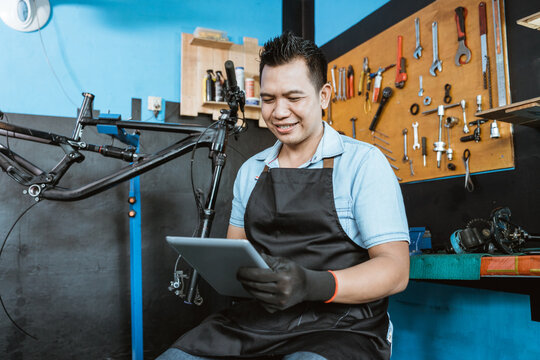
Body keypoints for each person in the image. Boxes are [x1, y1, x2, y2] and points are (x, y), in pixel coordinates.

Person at [157, 32, 410, 360]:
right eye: (268, 98)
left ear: (324, 96)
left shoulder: (364, 163)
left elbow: (395, 270)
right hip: (255, 322)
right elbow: (235, 252)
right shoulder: (252, 170)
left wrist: (313, 285)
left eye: (293, 97)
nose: (278, 112)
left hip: (340, 328)